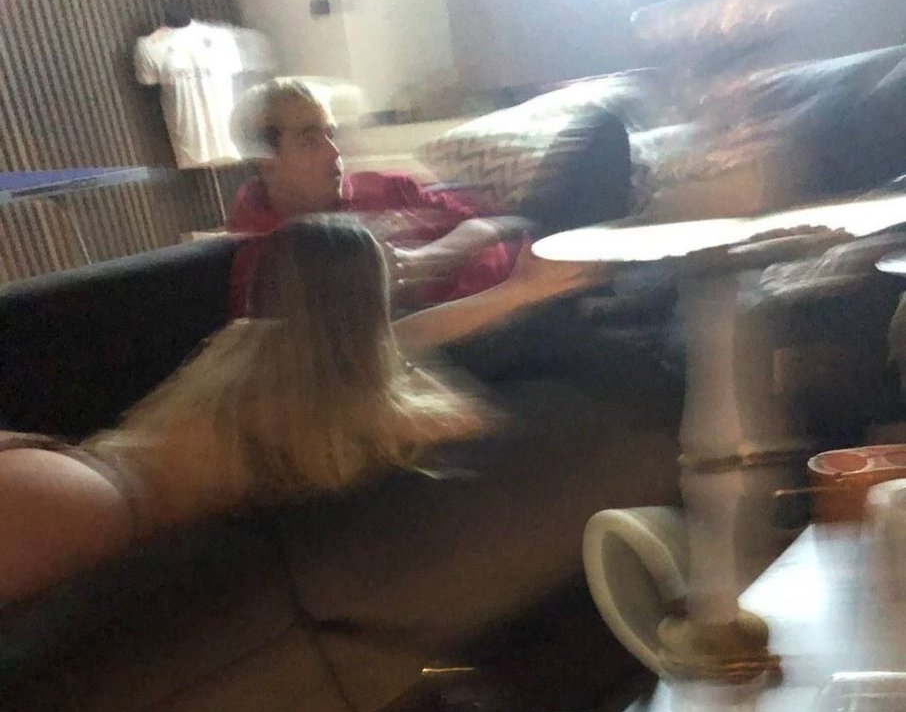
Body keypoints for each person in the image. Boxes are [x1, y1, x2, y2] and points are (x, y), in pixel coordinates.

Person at [0, 215, 602, 605]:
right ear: (367, 303)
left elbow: (398, 339)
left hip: (66, 466)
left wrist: (515, 291)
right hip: (88, 507)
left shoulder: (245, 341)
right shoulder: (353, 406)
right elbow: (475, 418)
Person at [227, 78, 523, 317]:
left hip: (521, 288)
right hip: (481, 330)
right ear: (264, 162)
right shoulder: (263, 257)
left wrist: (420, 260)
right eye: (310, 141)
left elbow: (503, 224)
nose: (334, 152)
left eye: (331, 134)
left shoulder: (387, 187)